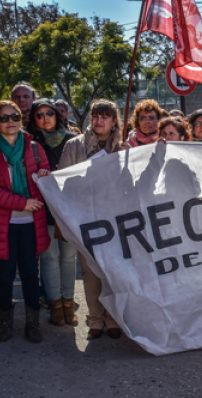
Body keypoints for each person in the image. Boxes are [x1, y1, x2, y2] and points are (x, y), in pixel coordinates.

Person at [0, 100, 51, 343]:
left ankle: (33, 324)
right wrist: (22, 203)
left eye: (15, 116)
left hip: (31, 223)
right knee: (4, 274)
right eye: (4, 117)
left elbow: (47, 184)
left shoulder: (36, 149)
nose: (11, 122)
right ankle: (5, 321)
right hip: (3, 224)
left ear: (21, 119)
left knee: (31, 273)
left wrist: (44, 178)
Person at [58, 99, 123, 339]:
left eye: (105, 116)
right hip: (85, 216)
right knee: (90, 270)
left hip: (115, 217)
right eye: (95, 116)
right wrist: (88, 172)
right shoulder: (73, 146)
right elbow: (63, 180)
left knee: (112, 270)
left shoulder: (123, 147)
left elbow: (131, 184)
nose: (99, 120)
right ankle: (95, 318)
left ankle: (112, 317)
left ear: (114, 120)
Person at [26, 98, 78, 327]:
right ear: (33, 119)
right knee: (49, 258)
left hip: (68, 210)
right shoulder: (29, 143)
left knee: (68, 258)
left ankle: (69, 305)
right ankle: (55, 306)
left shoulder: (72, 141)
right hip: (42, 210)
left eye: (49, 113)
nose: (45, 117)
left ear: (58, 115)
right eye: (39, 114)